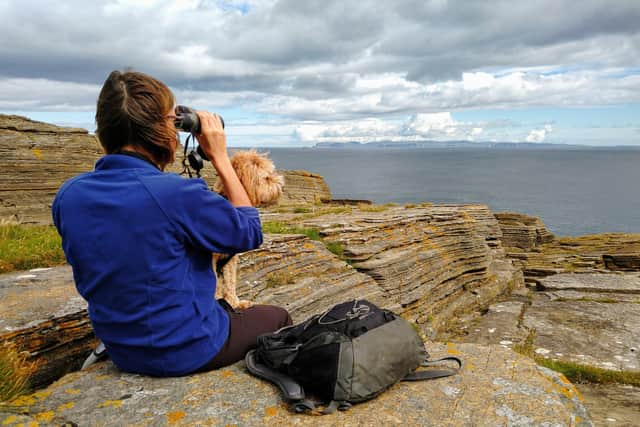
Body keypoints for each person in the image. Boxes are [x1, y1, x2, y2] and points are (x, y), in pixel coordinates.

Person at [52, 70, 292, 377]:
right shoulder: (175, 194)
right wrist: (219, 157)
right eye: (172, 120)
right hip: (186, 349)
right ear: (165, 130)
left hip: (121, 348)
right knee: (277, 317)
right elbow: (248, 232)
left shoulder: (69, 195)